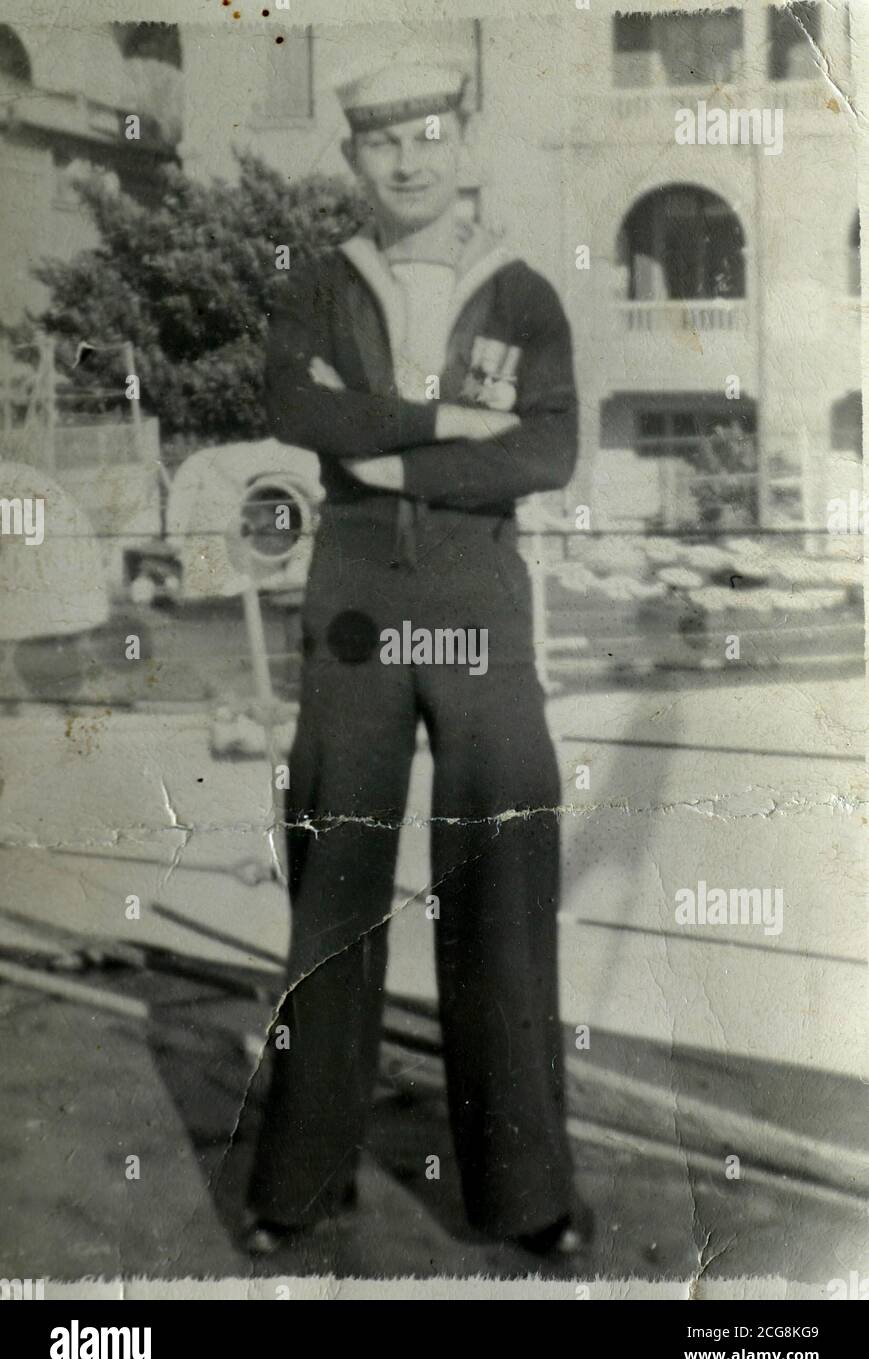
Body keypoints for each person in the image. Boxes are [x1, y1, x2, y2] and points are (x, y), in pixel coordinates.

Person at [246, 56, 589, 1259]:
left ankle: (525, 1193)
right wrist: (444, 425)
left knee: (501, 870)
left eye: (428, 136)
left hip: (477, 594)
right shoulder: (316, 284)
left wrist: (380, 444)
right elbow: (298, 409)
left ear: (462, 145)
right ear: (353, 160)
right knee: (334, 872)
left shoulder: (525, 293)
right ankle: (297, 1185)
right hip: (351, 594)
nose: (407, 160)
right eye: (382, 143)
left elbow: (546, 453)